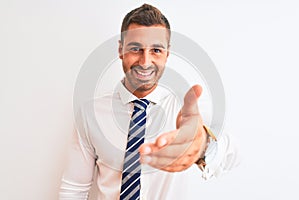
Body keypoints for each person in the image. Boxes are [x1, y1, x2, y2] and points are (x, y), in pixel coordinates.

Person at [59, 3, 239, 200]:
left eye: (156, 50)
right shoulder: (90, 113)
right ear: (121, 50)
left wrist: (202, 145)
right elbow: (74, 189)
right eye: (136, 49)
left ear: (167, 54)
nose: (145, 62)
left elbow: (232, 154)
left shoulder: (187, 108)